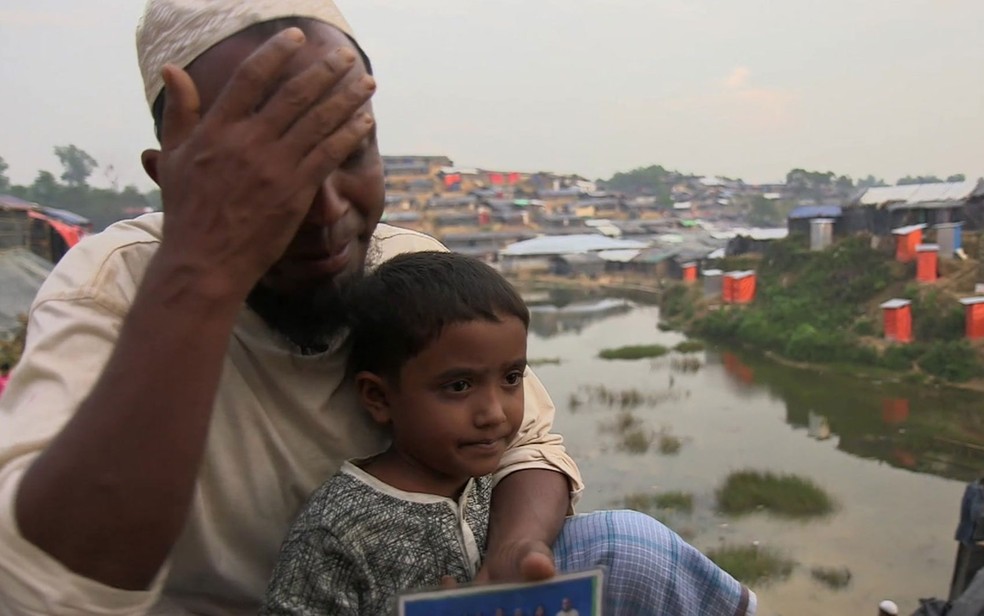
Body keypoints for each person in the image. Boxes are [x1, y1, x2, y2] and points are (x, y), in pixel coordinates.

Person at [0, 1, 755, 615]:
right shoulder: (114, 287)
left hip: (429, 594)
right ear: (175, 181)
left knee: (627, 549)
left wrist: (507, 564)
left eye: (351, 155)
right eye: (269, 178)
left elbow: (528, 443)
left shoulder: (404, 264)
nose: (328, 213)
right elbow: (47, 589)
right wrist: (204, 266)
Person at [260, 252, 532, 614]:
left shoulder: (488, 483)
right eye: (459, 386)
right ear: (379, 398)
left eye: (511, 378)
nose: (494, 414)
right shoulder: (339, 528)